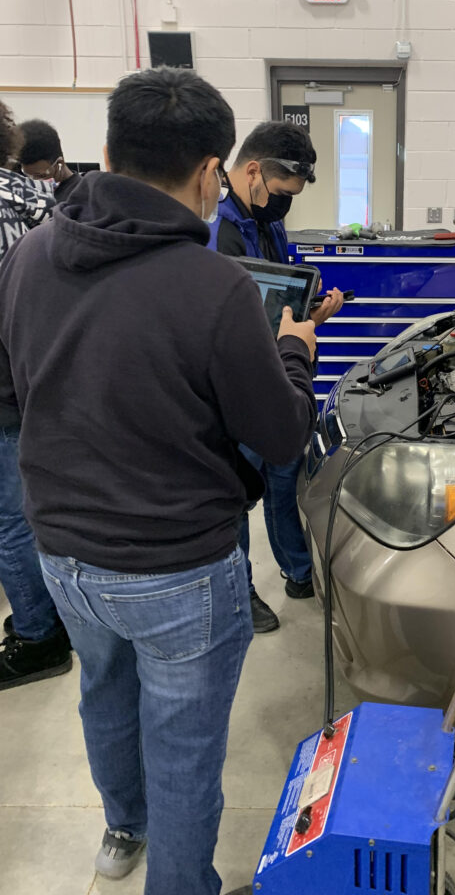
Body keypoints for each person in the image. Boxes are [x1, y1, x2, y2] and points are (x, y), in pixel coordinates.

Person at [0, 67, 317, 895]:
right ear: (214, 170)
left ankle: (122, 832)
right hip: (177, 565)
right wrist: (293, 349)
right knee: (183, 743)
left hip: (64, 553)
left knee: (104, 694)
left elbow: (14, 397)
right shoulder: (215, 289)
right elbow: (279, 433)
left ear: (106, 152)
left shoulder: (28, 258)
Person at [208, 121, 343, 632]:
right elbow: (229, 325)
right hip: (239, 384)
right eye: (281, 193)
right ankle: (238, 592)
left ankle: (297, 570)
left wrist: (313, 315)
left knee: (286, 479)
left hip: (279, 372)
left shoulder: (268, 224)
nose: (282, 205)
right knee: (239, 492)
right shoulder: (217, 231)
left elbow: (276, 299)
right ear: (252, 171)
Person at [0, 100, 70, 690]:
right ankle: (55, 618)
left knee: (10, 520)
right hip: (45, 379)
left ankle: (37, 636)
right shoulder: (41, 202)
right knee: (37, 504)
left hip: (4, 387)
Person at [19, 118, 82, 202]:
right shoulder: (23, 192)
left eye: (41, 176)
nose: (34, 182)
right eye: (27, 175)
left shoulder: (82, 195)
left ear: (60, 163)